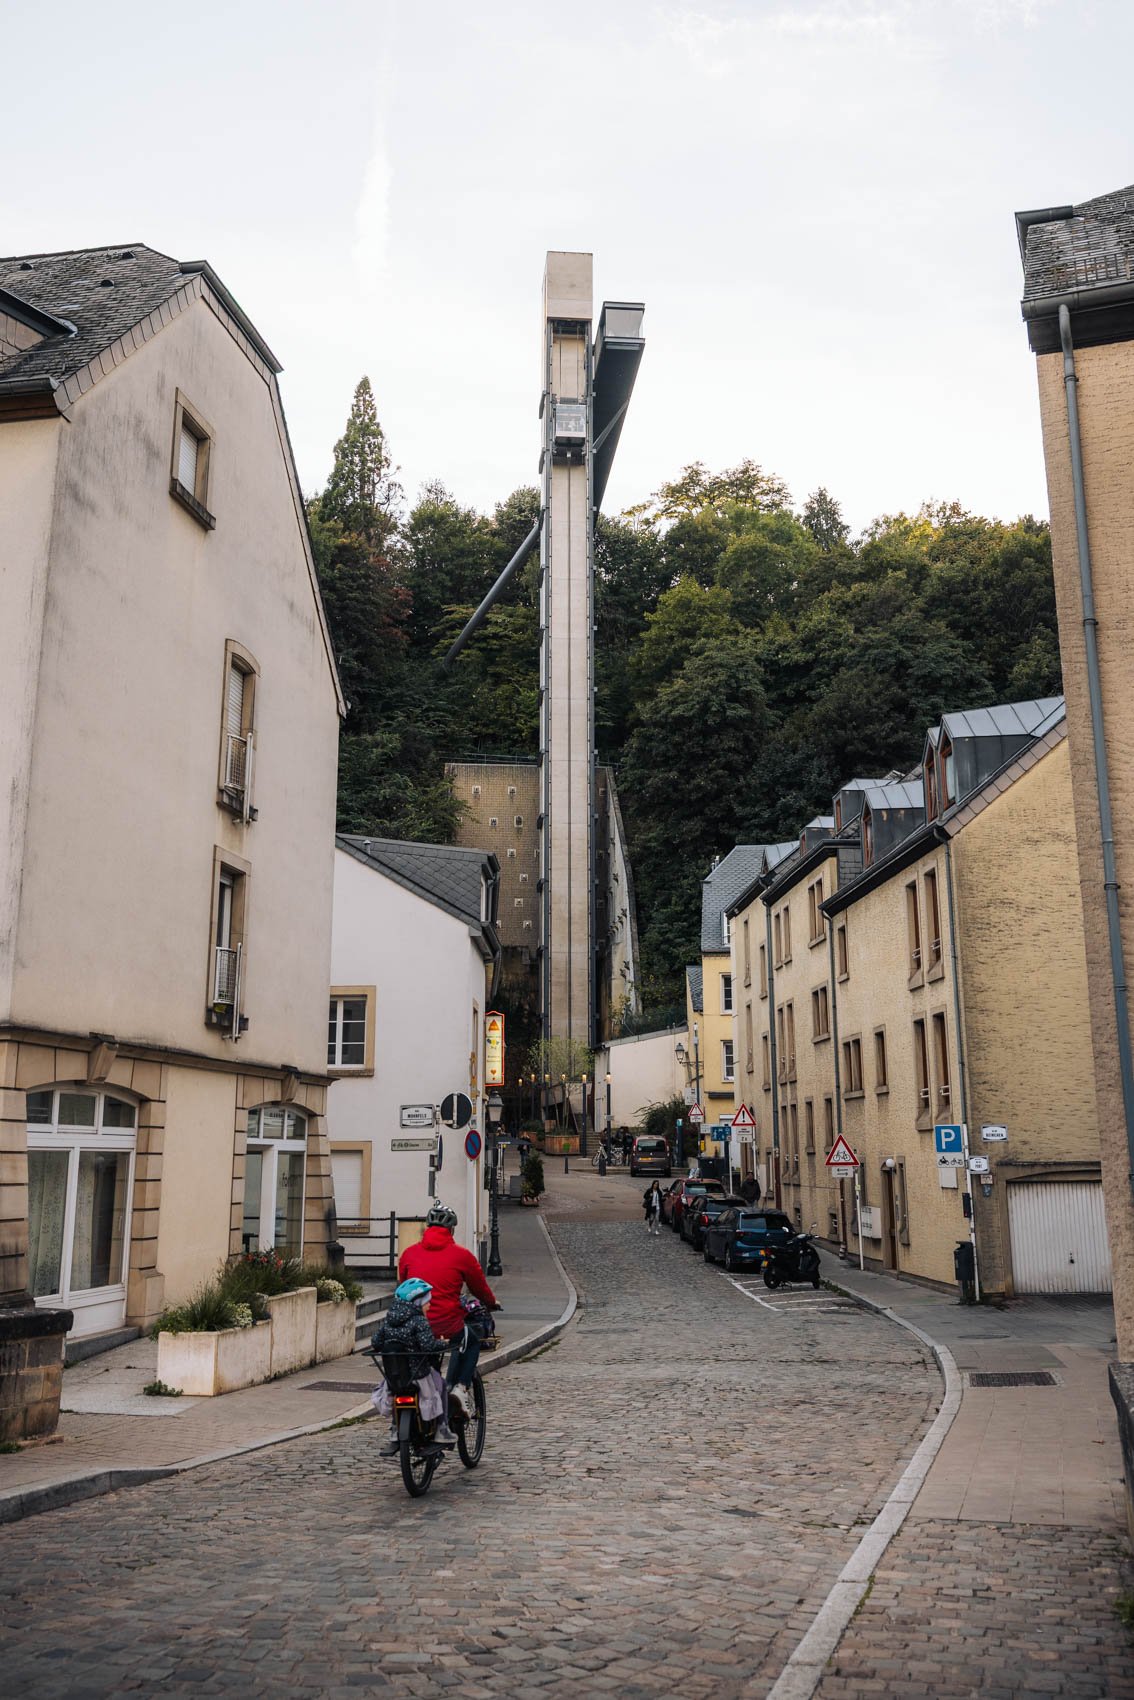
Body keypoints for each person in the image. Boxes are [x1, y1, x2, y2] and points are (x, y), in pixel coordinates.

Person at [398, 1202, 498, 1417]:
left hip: (414, 1327)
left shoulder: (408, 1254)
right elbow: (479, 1287)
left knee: (423, 1359)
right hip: (446, 1324)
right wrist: (491, 1303)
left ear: (426, 1227)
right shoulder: (462, 1256)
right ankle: (460, 1388)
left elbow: (402, 1286)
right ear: (451, 1230)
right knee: (470, 1341)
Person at [370, 1276, 453, 1458]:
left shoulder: (389, 1321)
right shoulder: (418, 1321)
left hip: (396, 1375)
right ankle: (442, 1428)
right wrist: (444, 1343)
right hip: (419, 1374)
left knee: (398, 1394)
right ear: (417, 1302)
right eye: (427, 1302)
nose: (429, 1306)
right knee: (442, 1387)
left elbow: (375, 1341)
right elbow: (428, 1346)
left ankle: (394, 1429)